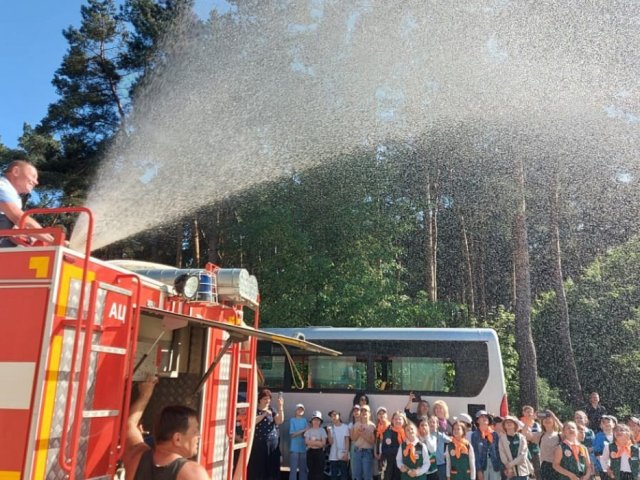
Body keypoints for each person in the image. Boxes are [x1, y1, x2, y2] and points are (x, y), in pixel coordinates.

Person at [122, 377, 210, 480]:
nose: (199, 436)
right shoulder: (193, 473)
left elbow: (130, 425)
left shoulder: (137, 456)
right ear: (177, 439)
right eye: (195, 431)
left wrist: (145, 395)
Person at [0, 159, 54, 247]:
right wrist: (54, 241)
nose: (36, 182)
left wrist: (32, 240)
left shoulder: (15, 198)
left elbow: (14, 232)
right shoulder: (2, 187)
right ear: (16, 171)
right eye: (33, 176)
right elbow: (19, 219)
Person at [247, 388, 284, 480]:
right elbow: (251, 422)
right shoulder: (254, 410)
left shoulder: (272, 409)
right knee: (259, 467)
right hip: (259, 443)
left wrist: (280, 407)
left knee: (272, 467)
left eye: (269, 399)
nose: (267, 401)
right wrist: (263, 415)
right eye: (265, 399)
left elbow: (279, 421)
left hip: (272, 443)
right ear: (260, 399)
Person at [522, 410, 562, 480]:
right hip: (545, 466)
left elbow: (566, 430)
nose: (546, 420)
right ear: (542, 422)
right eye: (544, 418)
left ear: (553, 421)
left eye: (549, 418)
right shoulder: (540, 435)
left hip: (559, 466)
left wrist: (554, 417)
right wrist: (530, 419)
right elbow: (524, 433)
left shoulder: (560, 435)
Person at [470, 411, 501, 480]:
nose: (484, 418)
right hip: (483, 466)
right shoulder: (474, 435)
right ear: (477, 421)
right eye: (481, 417)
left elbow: (498, 451)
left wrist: (501, 466)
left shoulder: (494, 434)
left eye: (486, 417)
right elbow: (475, 453)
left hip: (495, 465)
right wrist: (479, 470)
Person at [378, 410, 407, 480]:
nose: (397, 421)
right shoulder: (388, 432)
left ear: (404, 421)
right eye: (395, 419)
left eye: (400, 419)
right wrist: (400, 450)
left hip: (405, 465)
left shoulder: (407, 432)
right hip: (391, 465)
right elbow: (384, 450)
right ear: (392, 421)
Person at [351, 404, 376, 480]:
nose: (364, 412)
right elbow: (353, 439)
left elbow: (373, 442)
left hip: (367, 453)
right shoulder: (356, 425)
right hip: (357, 452)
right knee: (357, 475)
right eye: (362, 410)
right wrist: (358, 432)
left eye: (366, 410)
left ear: (369, 413)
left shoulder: (373, 426)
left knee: (367, 475)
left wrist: (363, 434)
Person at [328, 410, 350, 480]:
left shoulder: (345, 427)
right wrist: (329, 432)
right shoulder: (331, 428)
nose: (333, 417)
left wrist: (346, 453)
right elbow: (330, 442)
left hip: (342, 455)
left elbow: (347, 440)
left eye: (334, 415)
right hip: (333, 456)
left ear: (339, 416)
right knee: (334, 476)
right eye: (331, 416)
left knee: (344, 475)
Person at [304, 411, 327, 480]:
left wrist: (312, 442)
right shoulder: (309, 430)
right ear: (312, 421)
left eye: (318, 420)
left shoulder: (322, 430)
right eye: (314, 419)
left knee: (319, 472)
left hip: (320, 453)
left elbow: (323, 443)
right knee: (311, 472)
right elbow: (306, 442)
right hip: (310, 452)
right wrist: (318, 441)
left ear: (320, 421)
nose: (316, 421)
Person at [521, 406, 541, 480]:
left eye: (531, 412)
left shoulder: (537, 424)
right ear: (523, 413)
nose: (529, 414)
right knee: (527, 470)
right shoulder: (520, 423)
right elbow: (523, 435)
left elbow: (538, 436)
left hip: (535, 448)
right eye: (527, 412)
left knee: (537, 469)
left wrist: (531, 437)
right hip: (525, 449)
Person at [593, 416, 617, 480]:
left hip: (618, 467)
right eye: (603, 422)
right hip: (603, 469)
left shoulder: (618, 435)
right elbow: (598, 454)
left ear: (614, 424)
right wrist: (607, 468)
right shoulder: (598, 436)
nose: (606, 424)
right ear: (601, 426)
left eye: (608, 422)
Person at [289, 403, 309, 480]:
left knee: (303, 470)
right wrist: (303, 430)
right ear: (295, 411)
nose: (300, 410)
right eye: (299, 409)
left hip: (303, 448)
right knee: (293, 470)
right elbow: (292, 435)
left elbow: (305, 433)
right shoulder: (292, 420)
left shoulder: (304, 420)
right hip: (294, 449)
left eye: (302, 409)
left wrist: (304, 433)